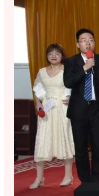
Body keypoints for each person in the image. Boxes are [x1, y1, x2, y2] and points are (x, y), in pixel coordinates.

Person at [63, 28, 99, 183]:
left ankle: (96, 178)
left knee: (98, 145)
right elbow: (68, 82)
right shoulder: (71, 62)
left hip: (97, 109)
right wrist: (84, 68)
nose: (88, 43)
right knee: (80, 147)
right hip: (78, 110)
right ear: (78, 44)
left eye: (91, 40)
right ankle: (84, 180)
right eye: (84, 41)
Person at [30, 44, 75, 188]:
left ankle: (68, 176)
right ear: (47, 56)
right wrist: (38, 103)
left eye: (57, 53)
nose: (53, 56)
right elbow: (37, 89)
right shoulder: (42, 72)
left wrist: (71, 98)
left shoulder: (67, 70)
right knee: (42, 141)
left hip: (62, 108)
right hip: (47, 109)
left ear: (62, 55)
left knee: (64, 139)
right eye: (50, 53)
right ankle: (39, 178)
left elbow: (76, 87)